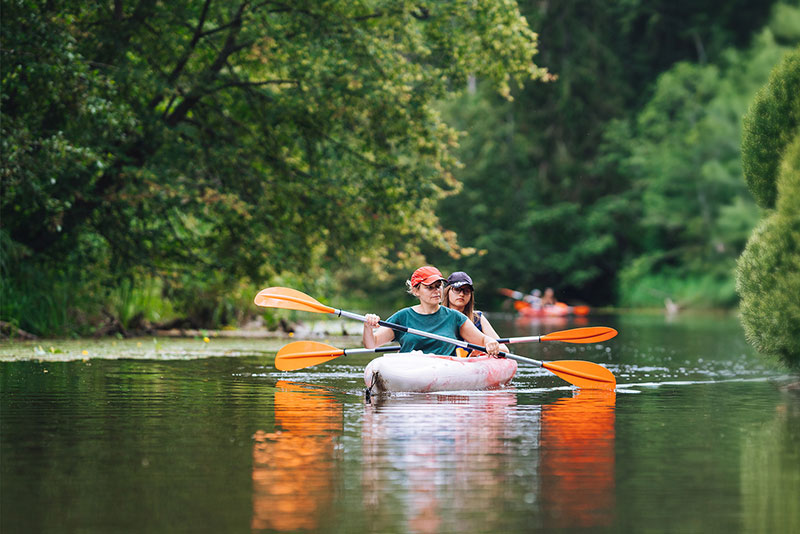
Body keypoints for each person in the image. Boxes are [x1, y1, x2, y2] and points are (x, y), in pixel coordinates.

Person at [363, 266, 501, 356]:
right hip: (410, 372)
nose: (436, 291)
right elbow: (371, 344)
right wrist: (368, 327)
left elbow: (482, 339)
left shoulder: (455, 317)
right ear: (416, 291)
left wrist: (490, 342)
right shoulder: (402, 317)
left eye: (438, 286)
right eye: (430, 287)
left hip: (444, 372)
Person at [442, 271, 509, 356]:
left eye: (466, 291)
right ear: (447, 291)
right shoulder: (438, 316)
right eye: (457, 289)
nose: (461, 294)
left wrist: (484, 350)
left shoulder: (478, 318)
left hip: (471, 364)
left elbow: (504, 349)